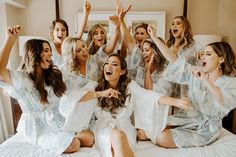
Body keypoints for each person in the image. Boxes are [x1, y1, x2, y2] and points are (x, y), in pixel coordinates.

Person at [0, 25, 94, 154]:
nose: (50, 53)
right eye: (46, 50)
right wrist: (10, 39)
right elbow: (0, 71)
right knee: (73, 145)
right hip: (37, 129)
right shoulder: (22, 78)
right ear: (34, 53)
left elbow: (81, 83)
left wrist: (104, 88)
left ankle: (70, 136)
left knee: (89, 138)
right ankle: (69, 138)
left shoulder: (52, 75)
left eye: (50, 50)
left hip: (56, 122)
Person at [78, 53, 191, 157]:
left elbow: (150, 96)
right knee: (115, 139)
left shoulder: (130, 87)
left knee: (116, 143)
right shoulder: (95, 87)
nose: (108, 66)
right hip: (102, 129)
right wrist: (101, 93)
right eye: (106, 63)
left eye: (114, 64)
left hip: (125, 129)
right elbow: (76, 98)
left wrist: (176, 102)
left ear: (122, 71)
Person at [156, 41, 236, 148]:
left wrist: (204, 79)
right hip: (190, 117)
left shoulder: (230, 82)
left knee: (162, 138)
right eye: (202, 54)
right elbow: (174, 60)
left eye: (208, 54)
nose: (203, 57)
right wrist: (154, 37)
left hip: (206, 129)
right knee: (147, 130)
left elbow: (224, 101)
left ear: (221, 59)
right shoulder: (197, 73)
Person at [49, 0, 91, 66]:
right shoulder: (49, 47)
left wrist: (86, 14)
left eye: (63, 30)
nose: (61, 32)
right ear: (52, 32)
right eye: (57, 30)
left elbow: (78, 35)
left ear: (66, 32)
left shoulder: (68, 45)